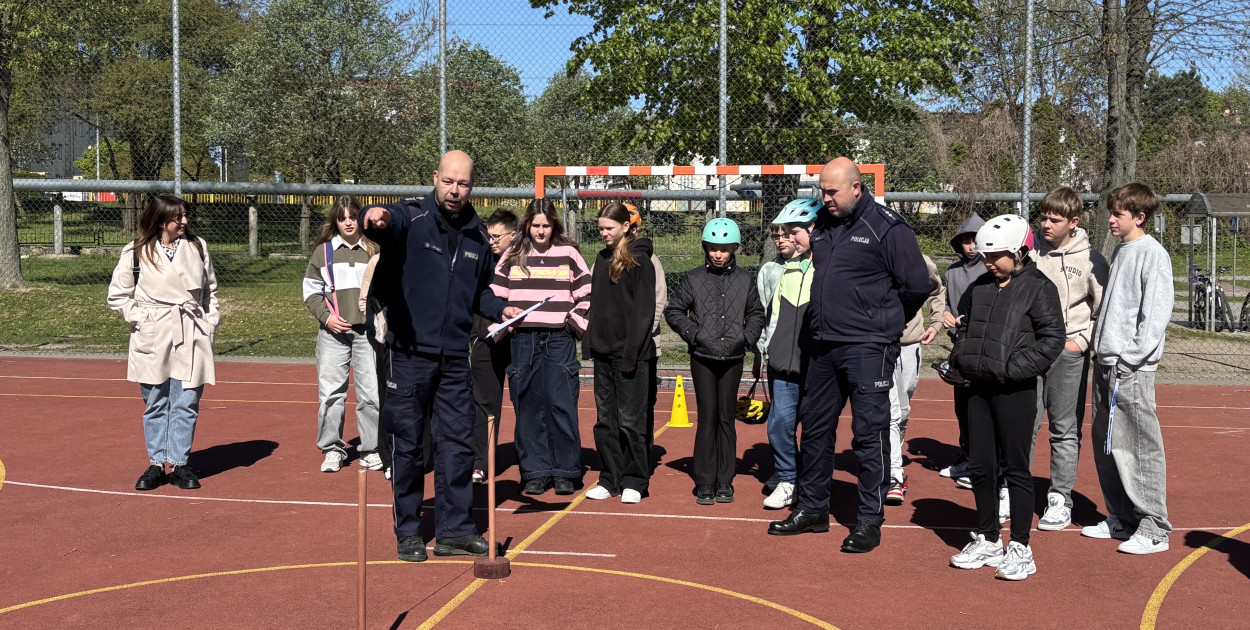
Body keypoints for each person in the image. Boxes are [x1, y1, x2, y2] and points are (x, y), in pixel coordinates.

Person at [361, 150, 522, 562]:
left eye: (463, 183)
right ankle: (409, 531)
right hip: (410, 352)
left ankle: (455, 530)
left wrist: (497, 308)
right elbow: (384, 220)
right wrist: (375, 215)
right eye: (448, 181)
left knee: (457, 444)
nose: (455, 190)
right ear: (435, 178)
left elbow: (481, 289)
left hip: (454, 356)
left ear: (472, 187)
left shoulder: (475, 234)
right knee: (410, 444)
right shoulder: (410, 218)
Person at [767, 157, 929, 554]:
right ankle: (813, 509)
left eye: (832, 191)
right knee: (816, 427)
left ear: (856, 188)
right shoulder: (821, 224)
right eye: (821, 191)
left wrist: (880, 323)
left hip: (868, 347)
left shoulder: (887, 227)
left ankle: (869, 520)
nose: (825, 198)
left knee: (868, 433)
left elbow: (916, 285)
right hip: (822, 344)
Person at [947, 213, 1064, 581]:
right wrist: (959, 360)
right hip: (977, 389)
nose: (989, 262)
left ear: (1020, 250)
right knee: (981, 467)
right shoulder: (979, 286)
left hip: (1015, 391)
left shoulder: (1039, 288)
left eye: (997, 255)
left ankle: (1021, 547)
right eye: (985, 255)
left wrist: (1012, 369)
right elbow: (964, 330)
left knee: (1016, 469)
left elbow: (1052, 340)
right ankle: (988, 538)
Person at [1082, 183, 1174, 555]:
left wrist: (1129, 359)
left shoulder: (1153, 254)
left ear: (1139, 216)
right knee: (1107, 443)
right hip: (1106, 363)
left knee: (1138, 446)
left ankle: (1154, 527)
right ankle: (1122, 517)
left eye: (1118, 213)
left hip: (1130, 369)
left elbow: (1154, 316)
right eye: (1112, 212)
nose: (1111, 219)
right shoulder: (1121, 250)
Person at [107, 194, 219, 491]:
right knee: (155, 400)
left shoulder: (198, 247)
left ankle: (180, 463)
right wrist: (143, 320)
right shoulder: (135, 252)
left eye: (185, 215)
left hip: (191, 331)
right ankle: (157, 462)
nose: (184, 221)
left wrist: (209, 323)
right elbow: (117, 296)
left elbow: (210, 292)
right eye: (178, 216)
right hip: (153, 333)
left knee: (187, 401)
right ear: (160, 220)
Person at [490, 199, 592, 496]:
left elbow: (586, 292)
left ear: (554, 225)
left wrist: (573, 323)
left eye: (546, 225)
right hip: (523, 339)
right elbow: (496, 294)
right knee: (528, 406)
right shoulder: (513, 253)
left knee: (561, 404)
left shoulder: (569, 253)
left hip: (559, 339)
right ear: (527, 225)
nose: (541, 231)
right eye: (535, 225)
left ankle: (565, 471)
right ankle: (534, 471)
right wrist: (504, 318)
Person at [665, 218, 765, 506]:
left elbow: (756, 313)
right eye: (713, 248)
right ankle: (705, 481)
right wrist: (695, 335)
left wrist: (746, 338)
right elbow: (675, 311)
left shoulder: (745, 280)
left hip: (733, 358)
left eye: (724, 248)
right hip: (703, 358)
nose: (718, 254)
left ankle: (725, 480)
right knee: (707, 417)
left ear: (734, 248)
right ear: (705, 248)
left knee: (726, 418)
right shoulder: (693, 278)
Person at [1030, 187, 1108, 531]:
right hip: (1030, 352)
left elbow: (1102, 310)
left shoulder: (1090, 259)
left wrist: (1080, 342)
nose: (1046, 224)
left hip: (1068, 353)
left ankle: (1060, 499)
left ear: (1073, 222)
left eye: (1054, 219)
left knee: (1064, 430)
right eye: (1043, 216)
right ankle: (1010, 489)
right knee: (1023, 425)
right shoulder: (1031, 253)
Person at [583, 202, 657, 504]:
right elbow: (596, 305)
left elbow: (643, 312)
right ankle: (609, 477)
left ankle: (635, 480)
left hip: (632, 356)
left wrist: (631, 353)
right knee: (605, 420)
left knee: (631, 421)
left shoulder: (641, 262)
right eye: (600, 228)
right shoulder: (601, 260)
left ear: (626, 227)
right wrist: (589, 340)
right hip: (603, 352)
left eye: (609, 228)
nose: (604, 234)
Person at [302, 195, 382, 473]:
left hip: (366, 335)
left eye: (352, 217)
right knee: (330, 394)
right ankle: (332, 448)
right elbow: (310, 292)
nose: (348, 222)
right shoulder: (324, 252)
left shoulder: (374, 250)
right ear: (335, 221)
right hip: (333, 334)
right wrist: (328, 319)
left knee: (371, 394)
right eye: (342, 217)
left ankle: (371, 448)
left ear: (361, 219)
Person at [754, 198, 820, 509]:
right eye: (778, 234)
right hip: (781, 360)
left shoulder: (825, 267)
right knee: (779, 423)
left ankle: (809, 478)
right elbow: (766, 314)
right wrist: (762, 348)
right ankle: (787, 477)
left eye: (791, 232)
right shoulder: (772, 271)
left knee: (815, 425)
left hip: (818, 362)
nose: (784, 239)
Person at [885, 254, 945, 505]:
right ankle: (893, 474)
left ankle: (893, 455)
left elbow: (936, 290)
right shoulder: (868, 254)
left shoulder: (920, 260)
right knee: (891, 412)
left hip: (910, 344)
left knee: (904, 408)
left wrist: (937, 320)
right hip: (878, 345)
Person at [470, 208, 518, 484]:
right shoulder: (481, 260)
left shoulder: (525, 260)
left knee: (524, 401)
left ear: (513, 235)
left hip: (516, 338)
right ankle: (482, 461)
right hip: (485, 338)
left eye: (497, 236)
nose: (492, 241)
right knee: (484, 403)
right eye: (489, 236)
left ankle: (532, 462)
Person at [939, 214, 987, 489]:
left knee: (980, 407)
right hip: (960, 345)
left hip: (983, 344)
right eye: (966, 241)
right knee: (963, 406)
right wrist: (946, 313)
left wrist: (969, 319)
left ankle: (981, 464)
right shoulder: (953, 272)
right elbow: (946, 301)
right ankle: (967, 456)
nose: (970, 246)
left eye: (975, 240)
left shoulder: (989, 269)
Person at [622, 203, 668, 460]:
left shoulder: (651, 260)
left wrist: (640, 336)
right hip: (615, 345)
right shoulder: (604, 259)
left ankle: (642, 450)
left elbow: (658, 301)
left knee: (643, 402)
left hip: (645, 346)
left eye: (633, 228)